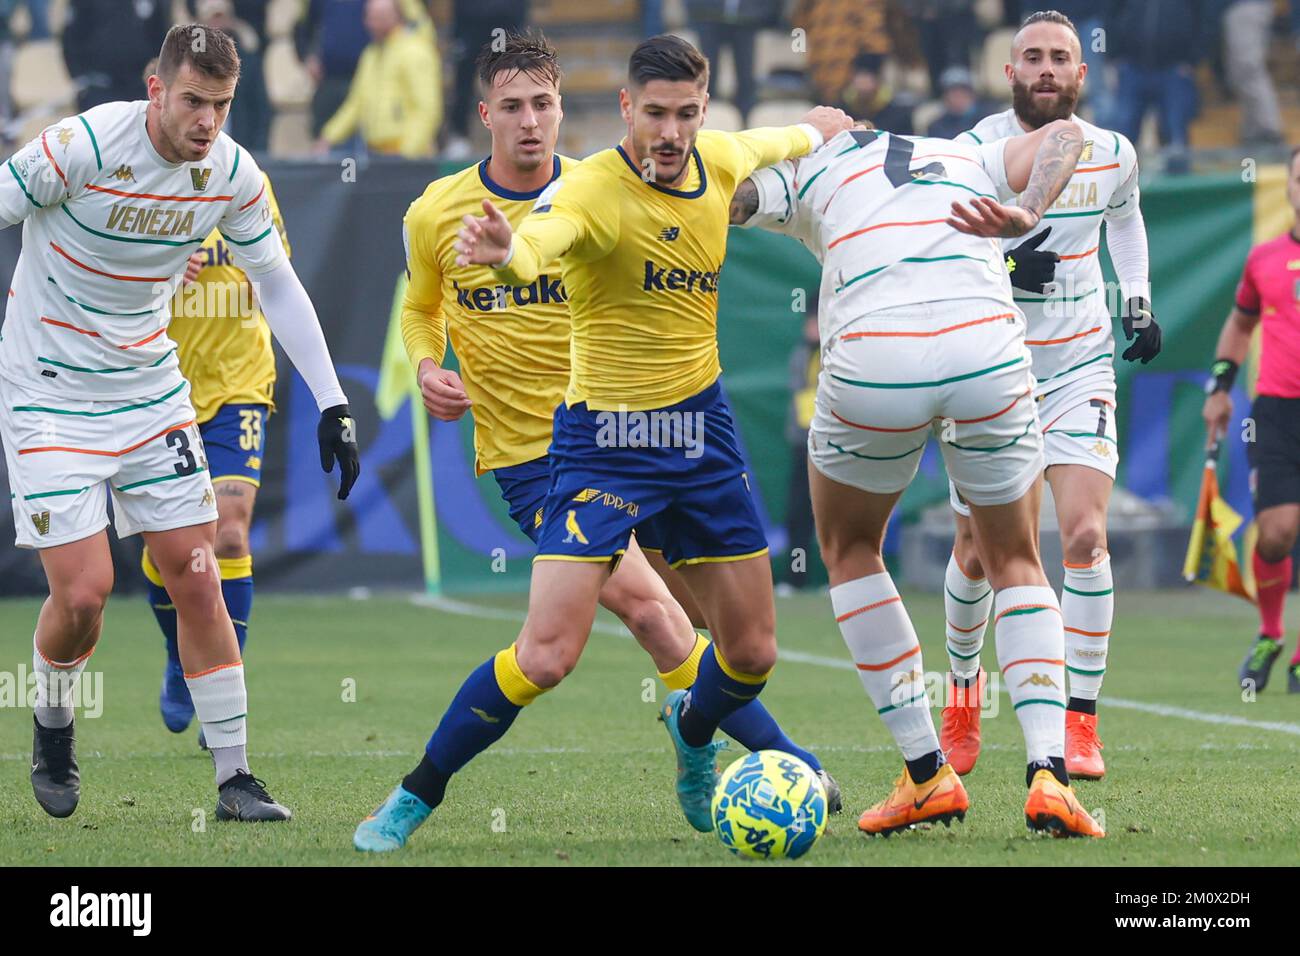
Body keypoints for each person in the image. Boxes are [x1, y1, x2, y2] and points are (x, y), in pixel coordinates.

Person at [353, 31, 841, 852]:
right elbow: (425, 304)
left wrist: (824, 126)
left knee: (726, 639)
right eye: (512, 106)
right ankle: (415, 793)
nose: (531, 121)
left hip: (684, 433)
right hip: (549, 454)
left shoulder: (626, 177)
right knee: (599, 635)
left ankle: (711, 738)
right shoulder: (447, 212)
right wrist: (428, 357)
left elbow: (774, 140)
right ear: (485, 116)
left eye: (543, 103)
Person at [0, 24, 359, 822]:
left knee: (198, 570)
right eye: (194, 100)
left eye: (222, 105)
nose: (207, 120)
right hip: (49, 388)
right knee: (86, 593)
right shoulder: (80, 145)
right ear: (156, 88)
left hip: (151, 387)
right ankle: (54, 724)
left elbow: (279, 284)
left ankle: (235, 779)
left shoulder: (231, 172)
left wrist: (333, 402)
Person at [732, 112, 1104, 837]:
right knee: (1018, 560)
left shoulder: (811, 164)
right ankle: (1050, 777)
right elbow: (1067, 133)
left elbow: (724, 195)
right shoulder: (966, 153)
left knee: (849, 552)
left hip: (879, 353)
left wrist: (787, 134)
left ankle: (927, 772)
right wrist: (1027, 212)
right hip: (986, 351)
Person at [943, 10, 1160, 782]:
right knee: (978, 551)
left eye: (1057, 58)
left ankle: (1080, 724)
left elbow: (1126, 220)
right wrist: (1002, 269)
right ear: (1009, 73)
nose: (1044, 68)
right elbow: (945, 239)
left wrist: (1136, 296)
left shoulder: (1113, 152)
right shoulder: (975, 150)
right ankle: (963, 693)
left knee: (1083, 540)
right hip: (991, 371)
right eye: (1029, 57)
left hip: (1077, 370)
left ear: (1081, 73)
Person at [146, 170, 291, 746]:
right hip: (158, 384)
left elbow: (275, 270)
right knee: (173, 544)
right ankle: (180, 658)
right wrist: (158, 269)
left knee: (229, 533)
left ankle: (222, 687)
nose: (204, 122)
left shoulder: (245, 179)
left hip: (239, 382)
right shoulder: (135, 188)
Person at [1204, 146, 1300, 696]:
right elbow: (1240, 327)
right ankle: (1269, 633)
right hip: (1277, 414)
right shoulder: (1263, 259)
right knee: (1278, 533)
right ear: (1288, 186)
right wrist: (1219, 388)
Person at [314, 0, 441, 159]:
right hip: (374, 155)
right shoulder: (371, 54)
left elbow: (427, 110)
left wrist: (407, 153)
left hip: (408, 157)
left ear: (394, 17)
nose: (369, 23)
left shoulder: (415, 51)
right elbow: (356, 103)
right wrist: (329, 136)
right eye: (368, 17)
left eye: (376, 18)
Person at [838, 53, 915, 135]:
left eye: (867, 77)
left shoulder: (898, 112)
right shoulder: (842, 110)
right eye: (859, 77)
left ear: (878, 80)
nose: (863, 83)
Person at [925, 66, 996, 141]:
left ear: (972, 95)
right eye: (953, 94)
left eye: (963, 93)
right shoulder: (936, 127)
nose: (959, 98)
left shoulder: (988, 121)